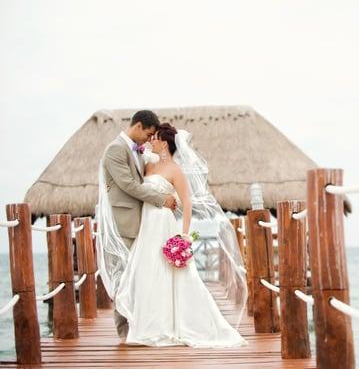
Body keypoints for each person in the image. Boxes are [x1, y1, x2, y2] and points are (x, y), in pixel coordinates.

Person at [96, 117, 247, 348]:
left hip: (163, 224)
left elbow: (187, 203)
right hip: (145, 225)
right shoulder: (146, 164)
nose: (149, 142)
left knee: (166, 273)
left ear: (164, 144)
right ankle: (146, 323)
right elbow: (132, 186)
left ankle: (172, 324)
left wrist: (184, 235)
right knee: (145, 273)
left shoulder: (175, 170)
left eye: (154, 138)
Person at [99, 110, 178, 338]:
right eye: (148, 133)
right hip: (123, 224)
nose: (148, 139)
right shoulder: (115, 149)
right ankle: (124, 335)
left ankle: (137, 328)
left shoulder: (136, 150)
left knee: (136, 278)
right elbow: (128, 185)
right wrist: (161, 199)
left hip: (140, 224)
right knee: (123, 278)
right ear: (139, 126)